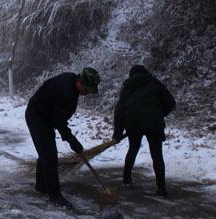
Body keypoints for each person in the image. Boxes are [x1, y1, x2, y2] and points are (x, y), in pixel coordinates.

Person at [25, 67, 100, 208]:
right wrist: (73, 141)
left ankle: (41, 186)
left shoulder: (70, 80)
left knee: (46, 152)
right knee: (49, 156)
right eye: (87, 89)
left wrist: (71, 139)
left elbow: (58, 118)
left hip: (45, 116)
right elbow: (59, 122)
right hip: (37, 116)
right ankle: (55, 196)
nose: (87, 93)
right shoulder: (67, 93)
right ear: (81, 82)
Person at [113, 64, 175, 197]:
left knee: (133, 149)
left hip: (133, 124)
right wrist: (159, 114)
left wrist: (117, 134)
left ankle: (126, 179)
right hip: (154, 124)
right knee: (157, 155)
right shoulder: (154, 83)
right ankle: (161, 189)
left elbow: (119, 112)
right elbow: (171, 102)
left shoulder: (127, 87)